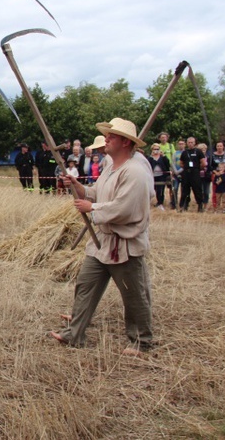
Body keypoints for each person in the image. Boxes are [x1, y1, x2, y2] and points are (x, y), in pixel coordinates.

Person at [49, 118, 153, 355]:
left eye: (112, 136)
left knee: (134, 295)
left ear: (126, 143)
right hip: (101, 243)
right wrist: (78, 187)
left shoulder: (135, 172)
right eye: (107, 135)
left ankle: (141, 342)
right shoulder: (111, 167)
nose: (106, 139)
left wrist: (92, 209)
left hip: (124, 245)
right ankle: (74, 334)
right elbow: (99, 193)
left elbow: (125, 208)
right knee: (85, 285)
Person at [179, 136, 206, 212]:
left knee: (197, 189)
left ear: (195, 143)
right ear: (187, 143)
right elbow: (181, 163)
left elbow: (203, 163)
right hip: (186, 173)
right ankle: (184, 205)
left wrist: (197, 168)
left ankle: (200, 205)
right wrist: (187, 167)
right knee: (185, 190)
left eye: (192, 142)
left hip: (195, 173)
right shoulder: (184, 152)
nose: (190, 144)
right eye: (189, 142)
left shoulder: (198, 151)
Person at [146, 143, 172, 211]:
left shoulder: (163, 157)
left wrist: (163, 156)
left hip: (161, 176)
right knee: (151, 190)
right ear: (152, 150)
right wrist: (151, 156)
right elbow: (147, 164)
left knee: (160, 190)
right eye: (155, 149)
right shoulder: (150, 158)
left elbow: (167, 164)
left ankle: (160, 203)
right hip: (152, 176)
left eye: (158, 149)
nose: (156, 150)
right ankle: (147, 203)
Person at [209, 142, 225, 211]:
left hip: (224, 175)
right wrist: (216, 172)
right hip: (215, 174)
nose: (219, 147)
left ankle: (224, 207)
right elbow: (210, 166)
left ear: (223, 147)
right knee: (216, 191)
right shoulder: (212, 156)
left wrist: (223, 171)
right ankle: (215, 206)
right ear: (216, 147)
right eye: (218, 146)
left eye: (221, 146)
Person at [171, 139, 185, 210]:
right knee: (175, 189)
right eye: (179, 144)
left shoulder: (186, 153)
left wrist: (180, 171)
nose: (181, 145)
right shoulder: (175, 153)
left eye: (182, 144)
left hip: (183, 173)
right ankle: (174, 204)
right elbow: (172, 162)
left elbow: (186, 164)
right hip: (176, 174)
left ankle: (182, 204)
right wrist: (175, 171)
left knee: (183, 190)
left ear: (184, 144)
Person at [197, 143, 212, 209]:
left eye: (204, 149)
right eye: (201, 149)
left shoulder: (209, 157)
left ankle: (205, 204)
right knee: (200, 191)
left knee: (206, 191)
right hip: (198, 176)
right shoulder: (196, 157)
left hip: (206, 176)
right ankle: (200, 204)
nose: (203, 151)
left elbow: (211, 166)